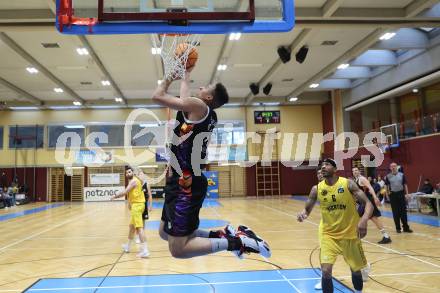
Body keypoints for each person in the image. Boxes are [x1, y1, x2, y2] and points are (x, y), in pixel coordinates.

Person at [152, 68, 270, 259]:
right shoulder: (202, 112)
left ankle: (238, 243)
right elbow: (184, 97)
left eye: (205, 87)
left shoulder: (198, 107)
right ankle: (223, 234)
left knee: (178, 249)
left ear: (207, 97)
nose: (200, 87)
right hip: (181, 182)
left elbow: (156, 96)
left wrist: (169, 77)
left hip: (186, 186)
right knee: (165, 232)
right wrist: (186, 74)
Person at [298, 158, 373, 293]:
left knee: (355, 270)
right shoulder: (316, 189)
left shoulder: (348, 184)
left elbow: (368, 204)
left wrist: (364, 220)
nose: (323, 167)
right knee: (326, 271)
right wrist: (303, 214)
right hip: (329, 235)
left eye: (327, 165)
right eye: (321, 166)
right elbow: (307, 209)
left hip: (350, 234)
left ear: (335, 169)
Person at [111, 167, 150, 258]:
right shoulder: (133, 181)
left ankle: (145, 250)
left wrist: (114, 196)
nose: (127, 174)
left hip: (137, 206)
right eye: (126, 173)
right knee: (131, 226)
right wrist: (129, 203)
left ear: (132, 172)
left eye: (129, 172)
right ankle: (127, 246)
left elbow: (125, 192)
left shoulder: (134, 181)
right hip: (137, 205)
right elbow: (130, 193)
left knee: (139, 228)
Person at [352, 168, 391, 244]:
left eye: (356, 170)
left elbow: (370, 188)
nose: (355, 172)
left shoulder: (362, 179)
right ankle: (357, 234)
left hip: (368, 202)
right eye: (353, 171)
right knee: (358, 217)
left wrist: (375, 198)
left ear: (359, 171)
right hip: (363, 202)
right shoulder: (356, 180)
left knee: (374, 218)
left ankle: (386, 236)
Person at [385, 163, 413, 233]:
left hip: (401, 194)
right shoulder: (388, 176)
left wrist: (407, 194)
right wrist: (387, 195)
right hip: (393, 195)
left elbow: (405, 185)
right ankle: (398, 228)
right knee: (395, 212)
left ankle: (406, 227)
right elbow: (386, 186)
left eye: (394, 166)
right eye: (392, 166)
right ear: (390, 168)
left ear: (397, 167)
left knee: (403, 212)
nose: (393, 167)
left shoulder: (401, 175)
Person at [136, 171, 153, 244]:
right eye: (140, 174)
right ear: (138, 176)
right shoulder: (136, 184)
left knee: (143, 221)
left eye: (142, 174)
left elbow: (150, 195)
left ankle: (142, 235)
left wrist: (150, 205)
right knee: (137, 222)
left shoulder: (147, 184)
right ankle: (137, 236)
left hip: (144, 205)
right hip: (137, 205)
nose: (141, 175)